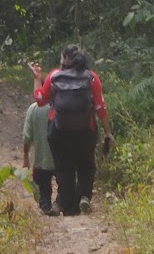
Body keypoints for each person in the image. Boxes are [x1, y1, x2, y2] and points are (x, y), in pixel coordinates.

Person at [29, 45, 113, 216]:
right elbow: (100, 107)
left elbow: (40, 100)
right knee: (86, 164)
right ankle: (84, 196)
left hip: (59, 131)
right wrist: (108, 132)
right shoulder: (92, 78)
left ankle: (64, 204)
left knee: (63, 167)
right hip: (85, 129)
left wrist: (37, 78)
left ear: (65, 59)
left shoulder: (54, 76)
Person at [22, 98, 56, 215]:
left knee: (42, 189)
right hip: (61, 161)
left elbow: (27, 136)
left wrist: (26, 156)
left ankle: (45, 205)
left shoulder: (33, 108)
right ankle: (61, 204)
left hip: (41, 161)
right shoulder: (60, 106)